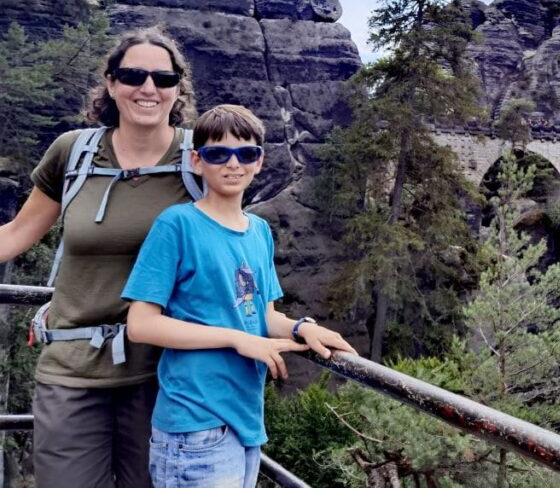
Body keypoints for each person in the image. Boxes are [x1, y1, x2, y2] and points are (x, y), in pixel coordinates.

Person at [0, 28, 200, 487]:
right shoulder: (74, 153)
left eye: (162, 78)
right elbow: (14, 235)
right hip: (73, 370)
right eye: (132, 75)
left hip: (164, 372)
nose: (148, 88)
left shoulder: (201, 162)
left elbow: (235, 252)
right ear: (110, 84)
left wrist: (288, 326)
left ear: (177, 89)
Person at [123, 104, 356, 488]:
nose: (234, 164)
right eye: (218, 154)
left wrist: (301, 328)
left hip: (244, 422)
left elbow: (260, 315)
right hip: (194, 425)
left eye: (245, 153)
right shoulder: (177, 225)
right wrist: (236, 339)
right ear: (198, 161)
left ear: (260, 161)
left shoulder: (259, 231)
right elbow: (141, 325)